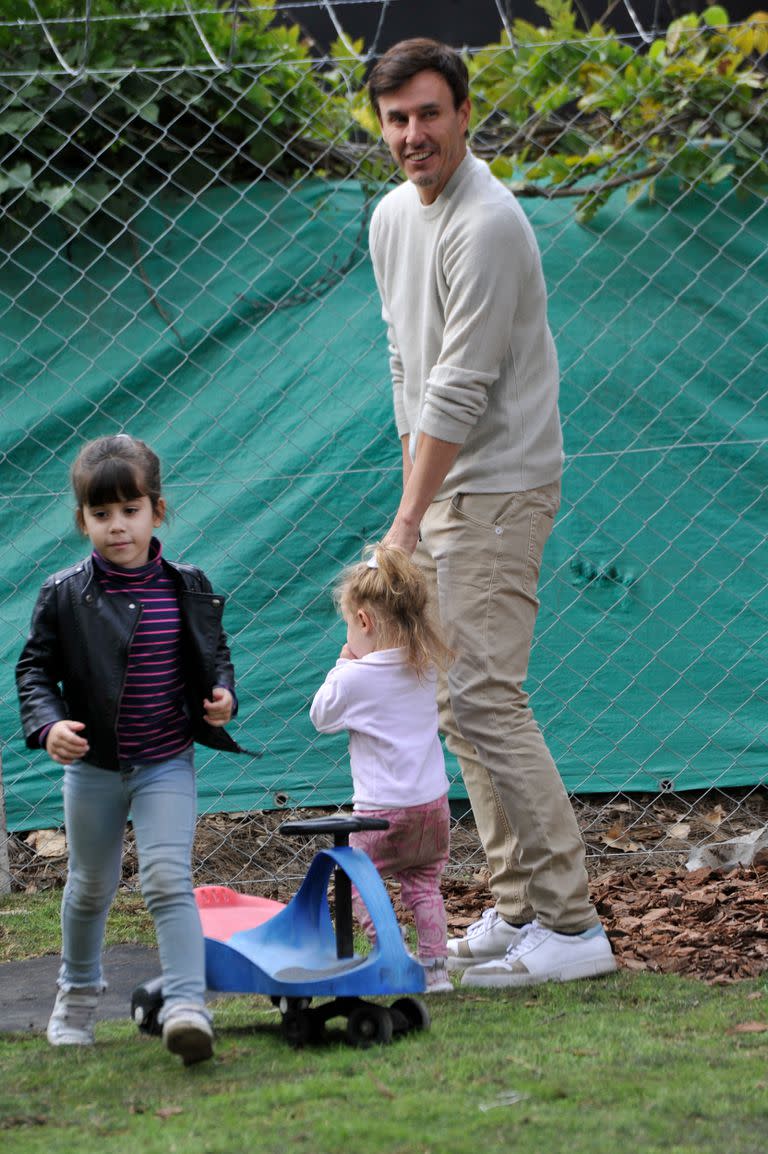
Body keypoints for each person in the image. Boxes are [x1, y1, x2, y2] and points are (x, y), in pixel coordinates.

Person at [366, 39, 616, 988]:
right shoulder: (393, 218)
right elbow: (407, 372)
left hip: (503, 483)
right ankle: (518, 912)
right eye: (396, 119)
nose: (414, 134)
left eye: (430, 113)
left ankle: (574, 926)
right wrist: (416, 514)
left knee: (483, 696)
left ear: (464, 114)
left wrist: (405, 518)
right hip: (441, 493)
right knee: (453, 700)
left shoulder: (490, 223)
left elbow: (463, 388)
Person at [16, 433, 247, 1063]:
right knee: (90, 886)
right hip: (93, 769)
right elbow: (34, 671)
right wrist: (49, 726)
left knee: (169, 878)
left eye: (130, 510)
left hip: (165, 761)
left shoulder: (188, 585)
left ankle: (186, 1004)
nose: (117, 526)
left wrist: (222, 694)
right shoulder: (64, 594)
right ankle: (78, 998)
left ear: (157, 511)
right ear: (82, 520)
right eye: (101, 514)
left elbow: (214, 657)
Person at [309, 543, 455, 993]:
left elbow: (321, 717)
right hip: (432, 807)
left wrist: (341, 664)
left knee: (354, 878)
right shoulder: (424, 667)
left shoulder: (356, 677)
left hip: (382, 812)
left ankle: (390, 950)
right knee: (423, 886)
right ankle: (436, 971)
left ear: (364, 622)